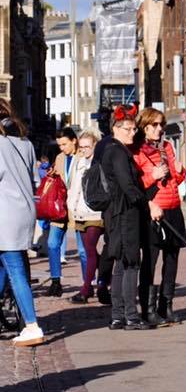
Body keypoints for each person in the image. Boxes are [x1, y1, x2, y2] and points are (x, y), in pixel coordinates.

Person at [103, 105, 162, 330]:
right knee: (130, 264)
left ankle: (118, 316)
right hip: (126, 213)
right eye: (128, 129)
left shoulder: (115, 150)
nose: (133, 133)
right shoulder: (118, 152)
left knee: (121, 263)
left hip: (118, 213)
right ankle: (130, 317)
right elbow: (128, 187)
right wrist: (148, 204)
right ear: (116, 129)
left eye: (134, 129)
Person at [132, 107, 186, 326]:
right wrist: (151, 176)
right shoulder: (137, 151)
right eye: (154, 125)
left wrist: (181, 173)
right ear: (144, 127)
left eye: (161, 124)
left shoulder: (167, 147)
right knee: (151, 262)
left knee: (172, 260)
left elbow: (174, 179)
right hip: (154, 210)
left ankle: (167, 304)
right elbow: (134, 185)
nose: (159, 129)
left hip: (173, 207)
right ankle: (148, 308)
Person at [0, 98, 45, 346]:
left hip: (4, 215)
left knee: (15, 269)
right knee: (5, 267)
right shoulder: (25, 143)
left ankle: (31, 325)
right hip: (24, 211)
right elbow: (32, 178)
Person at [46, 127, 87, 297]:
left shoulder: (83, 156)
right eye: (59, 145)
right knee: (52, 243)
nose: (61, 148)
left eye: (64, 144)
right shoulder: (60, 158)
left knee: (83, 250)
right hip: (60, 208)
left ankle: (88, 283)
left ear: (74, 141)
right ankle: (56, 282)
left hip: (79, 207)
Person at [68, 129, 105, 303]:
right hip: (80, 211)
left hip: (96, 212)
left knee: (89, 248)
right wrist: (71, 207)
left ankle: (86, 288)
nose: (84, 150)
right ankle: (103, 281)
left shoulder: (101, 163)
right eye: (81, 147)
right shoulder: (78, 163)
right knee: (89, 251)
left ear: (95, 146)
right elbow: (74, 187)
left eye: (87, 147)